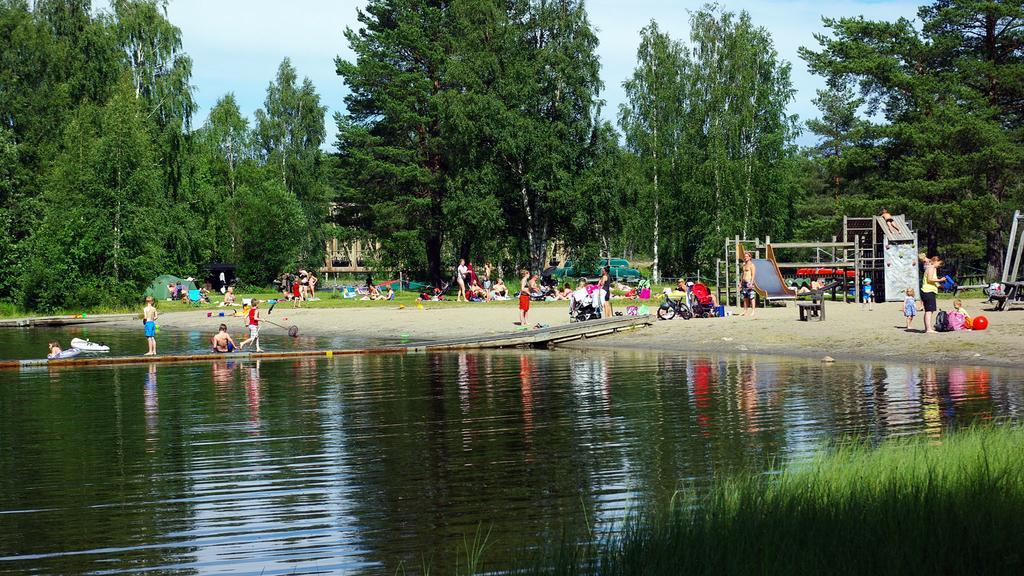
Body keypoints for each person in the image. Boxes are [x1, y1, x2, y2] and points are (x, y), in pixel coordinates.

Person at [919, 253, 940, 333]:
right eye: (939, 263)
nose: (939, 265)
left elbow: (932, 280)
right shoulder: (931, 268)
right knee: (929, 311)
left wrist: (938, 284)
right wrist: (940, 280)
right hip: (928, 291)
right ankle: (928, 329)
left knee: (928, 310)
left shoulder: (930, 267)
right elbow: (930, 279)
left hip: (928, 290)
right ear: (935, 261)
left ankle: (927, 328)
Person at [740, 251, 756, 317]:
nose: (745, 257)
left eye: (747, 256)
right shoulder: (744, 265)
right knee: (745, 297)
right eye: (745, 256)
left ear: (750, 257)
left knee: (751, 297)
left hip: (749, 282)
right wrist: (740, 283)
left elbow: (753, 275)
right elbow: (742, 274)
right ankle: (745, 311)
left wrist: (751, 283)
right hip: (744, 282)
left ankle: (753, 311)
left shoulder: (752, 265)